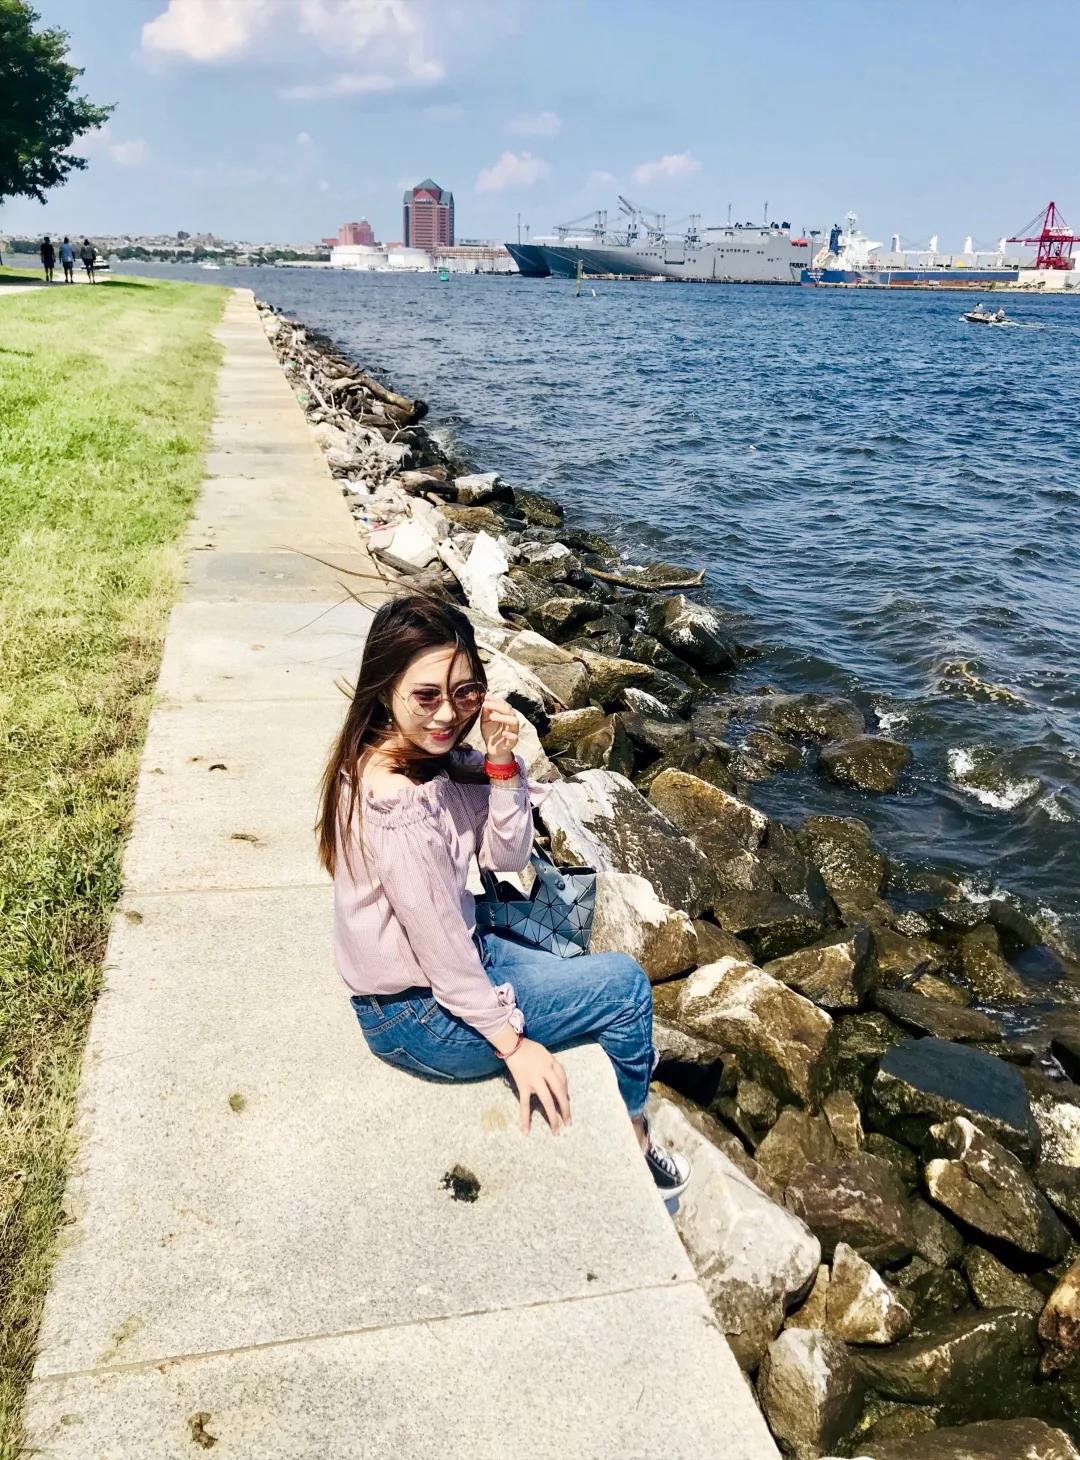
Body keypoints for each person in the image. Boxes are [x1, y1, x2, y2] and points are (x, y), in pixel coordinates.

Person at [318, 593, 692, 1197]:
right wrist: (512, 1045)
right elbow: (441, 948)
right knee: (625, 987)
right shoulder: (397, 805)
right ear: (384, 690)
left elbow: (505, 856)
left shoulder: (424, 759)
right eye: (426, 696)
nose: (447, 714)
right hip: (416, 1017)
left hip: (436, 974)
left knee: (571, 958)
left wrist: (499, 764)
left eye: (465, 692)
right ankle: (634, 1137)